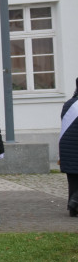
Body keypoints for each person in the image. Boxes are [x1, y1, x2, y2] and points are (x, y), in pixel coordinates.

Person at [61, 77, 78, 216]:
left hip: (67, 148)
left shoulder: (68, 104)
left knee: (72, 180)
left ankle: (73, 208)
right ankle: (74, 203)